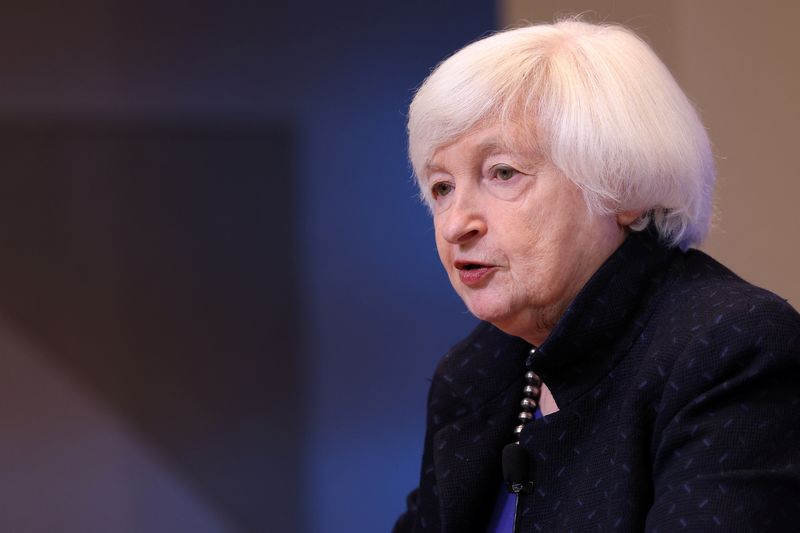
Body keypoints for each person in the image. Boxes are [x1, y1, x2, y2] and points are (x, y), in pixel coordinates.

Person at [394, 19, 800, 533]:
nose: (455, 224)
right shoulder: (475, 371)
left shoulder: (731, 349)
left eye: (502, 173)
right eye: (442, 187)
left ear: (621, 186)